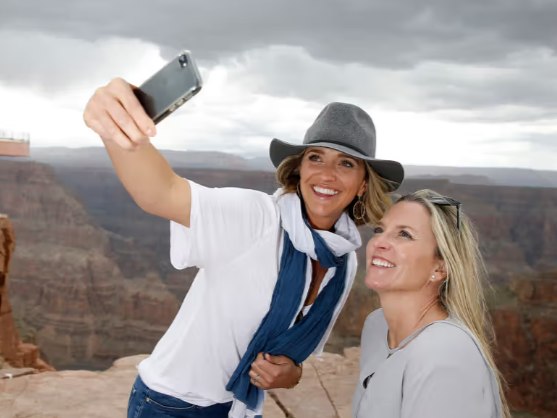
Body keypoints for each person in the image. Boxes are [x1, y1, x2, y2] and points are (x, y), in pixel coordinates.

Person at [83, 78, 404, 418]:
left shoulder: (343, 261)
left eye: (346, 163)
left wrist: (290, 375)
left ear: (362, 184)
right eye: (316, 157)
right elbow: (161, 193)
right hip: (172, 405)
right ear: (299, 168)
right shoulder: (256, 218)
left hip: (238, 409)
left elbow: (294, 359)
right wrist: (115, 126)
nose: (326, 174)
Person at [352, 189, 511, 418]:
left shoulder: (444, 351)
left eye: (404, 234)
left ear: (440, 268)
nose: (379, 242)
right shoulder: (377, 326)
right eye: (380, 230)